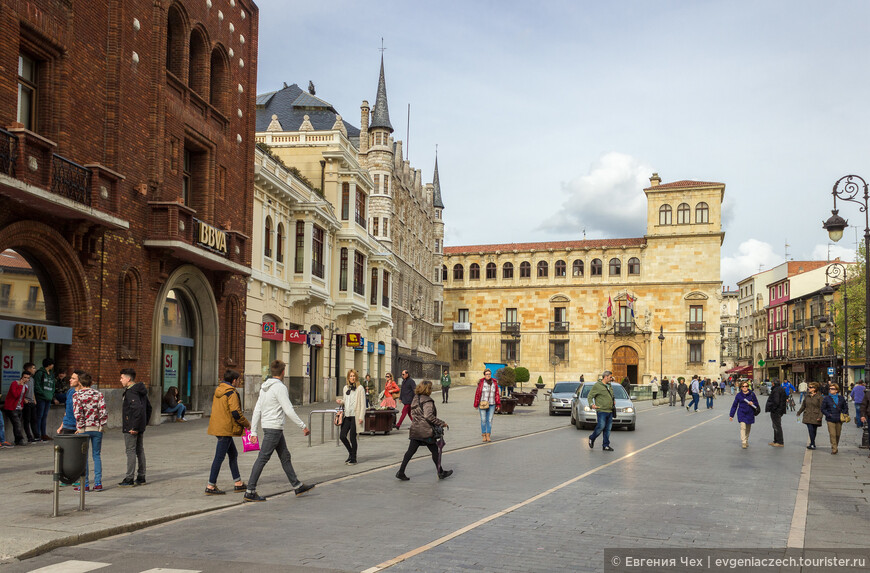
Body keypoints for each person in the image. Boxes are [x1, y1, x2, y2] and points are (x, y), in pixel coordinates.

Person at [244, 361, 313, 502]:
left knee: (285, 456)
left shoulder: (265, 387)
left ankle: (297, 485)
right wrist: (303, 426)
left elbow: (257, 409)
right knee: (262, 458)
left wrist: (254, 431)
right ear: (283, 372)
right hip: (274, 428)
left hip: (270, 427)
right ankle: (250, 491)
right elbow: (288, 409)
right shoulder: (280, 388)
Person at [395, 380, 452, 481]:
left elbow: (414, 413)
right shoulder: (427, 401)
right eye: (430, 388)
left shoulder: (415, 398)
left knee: (410, 452)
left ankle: (401, 471)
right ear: (428, 389)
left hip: (415, 429)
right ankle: (440, 472)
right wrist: (442, 423)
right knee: (435, 451)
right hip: (426, 431)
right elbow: (428, 416)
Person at [206, 370, 250, 495]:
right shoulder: (232, 392)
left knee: (233, 454)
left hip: (218, 426)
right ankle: (210, 485)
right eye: (238, 379)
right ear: (234, 380)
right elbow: (235, 412)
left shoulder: (219, 390)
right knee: (219, 457)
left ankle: (238, 483)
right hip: (225, 429)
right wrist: (247, 424)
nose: (239, 382)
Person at [73, 371, 107, 492]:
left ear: (81, 383)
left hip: (84, 429)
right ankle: (98, 483)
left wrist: (80, 428)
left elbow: (78, 413)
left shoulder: (77, 395)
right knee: (96, 455)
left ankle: (85, 484)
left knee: (84, 457)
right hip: (97, 428)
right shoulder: (98, 394)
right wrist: (101, 426)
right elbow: (103, 411)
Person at [120, 368, 149, 487]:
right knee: (139, 450)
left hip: (131, 426)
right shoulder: (140, 390)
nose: (120, 380)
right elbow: (149, 407)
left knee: (130, 451)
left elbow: (137, 408)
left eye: (122, 378)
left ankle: (129, 477)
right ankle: (141, 476)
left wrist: (135, 426)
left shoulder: (131, 392)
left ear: (128, 379)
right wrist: (143, 423)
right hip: (139, 425)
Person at [337, 368, 366, 465]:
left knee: (353, 437)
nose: (352, 378)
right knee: (342, 436)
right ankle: (351, 453)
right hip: (347, 415)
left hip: (355, 415)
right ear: (348, 378)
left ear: (356, 377)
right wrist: (341, 401)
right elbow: (345, 400)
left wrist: (361, 417)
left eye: (354, 376)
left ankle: (354, 458)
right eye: (351, 376)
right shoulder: (346, 388)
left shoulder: (360, 388)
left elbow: (363, 404)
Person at [588, 371, 616, 452]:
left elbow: (612, 395)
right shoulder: (597, 385)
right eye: (610, 377)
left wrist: (613, 400)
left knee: (608, 429)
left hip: (610, 410)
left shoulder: (609, 385)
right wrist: (591, 404)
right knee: (601, 427)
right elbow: (590, 396)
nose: (612, 378)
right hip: (601, 410)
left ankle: (606, 445)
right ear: (606, 377)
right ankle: (592, 438)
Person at [729, 381, 760, 449]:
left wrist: (753, 403)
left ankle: (746, 439)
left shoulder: (752, 394)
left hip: (750, 413)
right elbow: (734, 405)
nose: (745, 387)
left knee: (748, 428)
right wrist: (731, 415)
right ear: (741, 387)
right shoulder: (739, 395)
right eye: (743, 386)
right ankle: (743, 442)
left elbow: (756, 403)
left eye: (746, 386)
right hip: (742, 413)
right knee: (743, 427)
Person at [821, 382, 849, 455]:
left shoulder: (841, 398)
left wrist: (843, 413)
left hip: (839, 419)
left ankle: (835, 445)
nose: (830, 390)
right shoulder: (826, 398)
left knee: (837, 434)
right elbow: (823, 409)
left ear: (837, 390)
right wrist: (828, 414)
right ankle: (834, 448)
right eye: (830, 389)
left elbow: (845, 407)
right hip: (830, 419)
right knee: (832, 434)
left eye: (832, 389)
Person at [473, 368, 500, 442]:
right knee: (483, 420)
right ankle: (483, 435)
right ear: (484, 375)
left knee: (490, 420)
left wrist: (498, 404)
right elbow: (477, 394)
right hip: (482, 404)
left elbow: (497, 394)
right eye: (486, 374)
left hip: (492, 404)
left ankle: (488, 435)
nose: (488, 375)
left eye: (489, 374)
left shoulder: (494, 382)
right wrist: (476, 404)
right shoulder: (481, 382)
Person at [3, 370, 30, 446]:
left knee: (17, 424)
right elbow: (15, 395)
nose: (25, 379)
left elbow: (22, 397)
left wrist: (22, 404)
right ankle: (20, 439)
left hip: (19, 407)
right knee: (17, 423)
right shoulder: (15, 383)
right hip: (11, 407)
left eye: (27, 378)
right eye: (24, 377)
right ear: (21, 377)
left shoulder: (26, 386)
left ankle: (17, 440)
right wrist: (20, 386)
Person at [33, 358, 56, 441]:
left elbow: (53, 385)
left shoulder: (51, 374)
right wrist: (43, 393)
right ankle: (37, 435)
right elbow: (37, 385)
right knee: (39, 416)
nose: (53, 366)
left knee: (44, 416)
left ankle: (44, 434)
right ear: (49, 365)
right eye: (52, 364)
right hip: (41, 398)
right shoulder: (40, 373)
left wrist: (52, 393)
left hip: (48, 397)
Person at [797, 382, 823, 450]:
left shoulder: (819, 397)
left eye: (810, 387)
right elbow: (803, 405)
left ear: (815, 389)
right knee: (810, 429)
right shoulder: (807, 396)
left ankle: (812, 443)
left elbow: (821, 408)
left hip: (816, 415)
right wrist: (799, 412)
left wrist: (820, 416)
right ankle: (812, 443)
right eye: (809, 387)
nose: (809, 388)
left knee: (814, 430)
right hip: (808, 415)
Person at [56, 371, 83, 436]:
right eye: (71, 378)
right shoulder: (70, 391)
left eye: (73, 379)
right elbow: (67, 410)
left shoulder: (85, 393)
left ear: (80, 381)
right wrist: (62, 425)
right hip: (68, 425)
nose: (70, 380)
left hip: (80, 427)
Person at [765, 379, 787, 447]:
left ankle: (780, 442)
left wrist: (773, 408)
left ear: (774, 383)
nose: (771, 384)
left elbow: (776, 401)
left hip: (776, 411)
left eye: (772, 383)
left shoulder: (776, 390)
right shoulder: (781, 389)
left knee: (777, 426)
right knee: (775, 425)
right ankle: (776, 440)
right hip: (780, 410)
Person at [21, 362, 38, 443]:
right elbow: (21, 391)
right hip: (26, 402)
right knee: (27, 420)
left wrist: (34, 399)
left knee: (34, 419)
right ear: (28, 369)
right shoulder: (24, 379)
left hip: (32, 402)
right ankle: (29, 437)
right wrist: (24, 399)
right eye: (33, 368)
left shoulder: (32, 379)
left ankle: (36, 436)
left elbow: (32, 391)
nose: (35, 370)